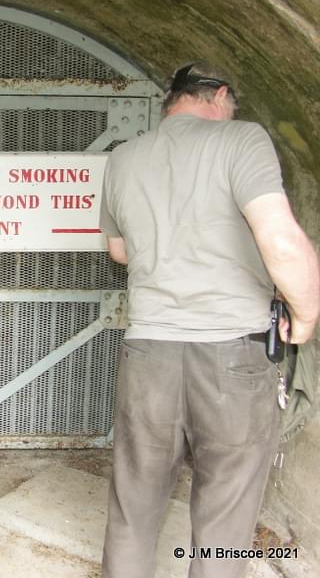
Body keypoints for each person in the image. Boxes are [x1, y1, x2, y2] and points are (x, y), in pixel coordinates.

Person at [99, 61, 320, 578]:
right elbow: (282, 242)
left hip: (148, 350)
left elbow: (118, 250)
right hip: (231, 358)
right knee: (225, 512)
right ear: (219, 96)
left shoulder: (124, 157)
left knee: (134, 501)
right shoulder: (242, 140)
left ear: (172, 101)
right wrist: (306, 316)